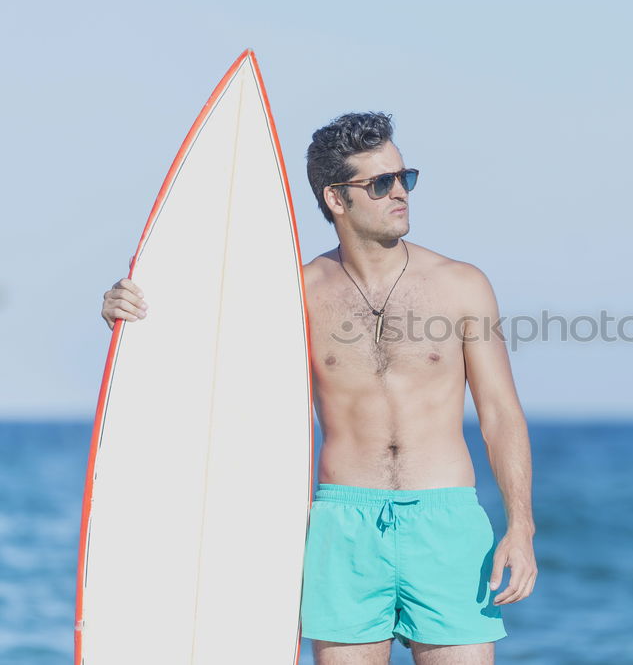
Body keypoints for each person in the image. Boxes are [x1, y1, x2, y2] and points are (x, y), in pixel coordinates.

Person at [99, 112, 537, 665]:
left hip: (445, 522)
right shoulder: (295, 294)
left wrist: (521, 526)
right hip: (340, 527)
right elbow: (201, 354)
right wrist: (124, 312)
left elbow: (500, 414)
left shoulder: (461, 285)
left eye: (406, 177)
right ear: (336, 198)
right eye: (381, 183)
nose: (400, 192)